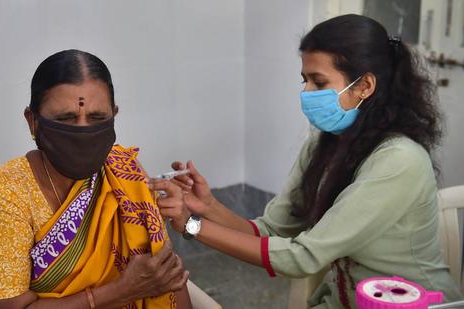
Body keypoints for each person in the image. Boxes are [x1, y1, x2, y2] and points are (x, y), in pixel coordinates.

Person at [149, 14, 462, 308]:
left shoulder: (399, 160)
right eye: (305, 80)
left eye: (319, 82)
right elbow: (273, 231)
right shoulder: (324, 144)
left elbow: (303, 257)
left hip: (409, 302)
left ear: (365, 86)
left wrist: (192, 226)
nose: (306, 92)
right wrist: (207, 208)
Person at [0, 49, 191, 309]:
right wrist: (123, 290)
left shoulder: (123, 171)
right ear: (33, 121)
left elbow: (164, 275)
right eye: (66, 118)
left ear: (114, 115)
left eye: (97, 118)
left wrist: (187, 220)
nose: (83, 131)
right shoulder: (10, 187)